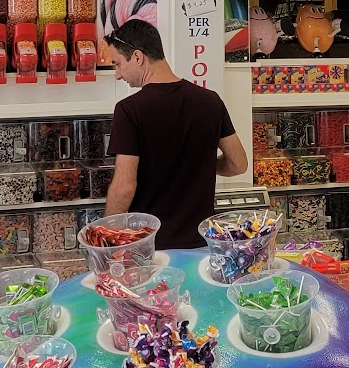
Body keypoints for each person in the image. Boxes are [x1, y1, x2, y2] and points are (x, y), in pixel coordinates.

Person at [104, 20, 248, 249]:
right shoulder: (210, 101)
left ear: (138, 57)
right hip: (202, 245)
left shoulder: (129, 110)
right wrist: (202, 164)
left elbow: (124, 188)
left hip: (151, 248)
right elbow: (238, 164)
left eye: (118, 64)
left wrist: (107, 237)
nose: (118, 75)